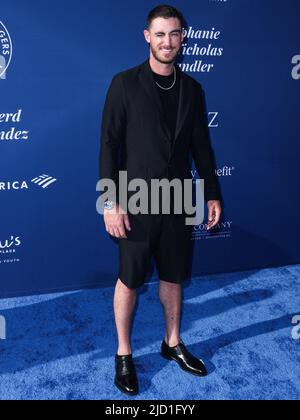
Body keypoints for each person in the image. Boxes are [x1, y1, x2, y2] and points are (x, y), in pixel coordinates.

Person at [99, 4, 222, 396]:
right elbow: (109, 145)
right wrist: (110, 201)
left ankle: (171, 343)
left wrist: (212, 192)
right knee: (130, 279)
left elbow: (201, 146)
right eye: (160, 34)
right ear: (147, 36)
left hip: (178, 198)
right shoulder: (124, 83)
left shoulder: (193, 89)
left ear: (182, 37)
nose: (167, 41)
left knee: (173, 276)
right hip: (134, 197)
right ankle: (123, 353)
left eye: (174, 34)